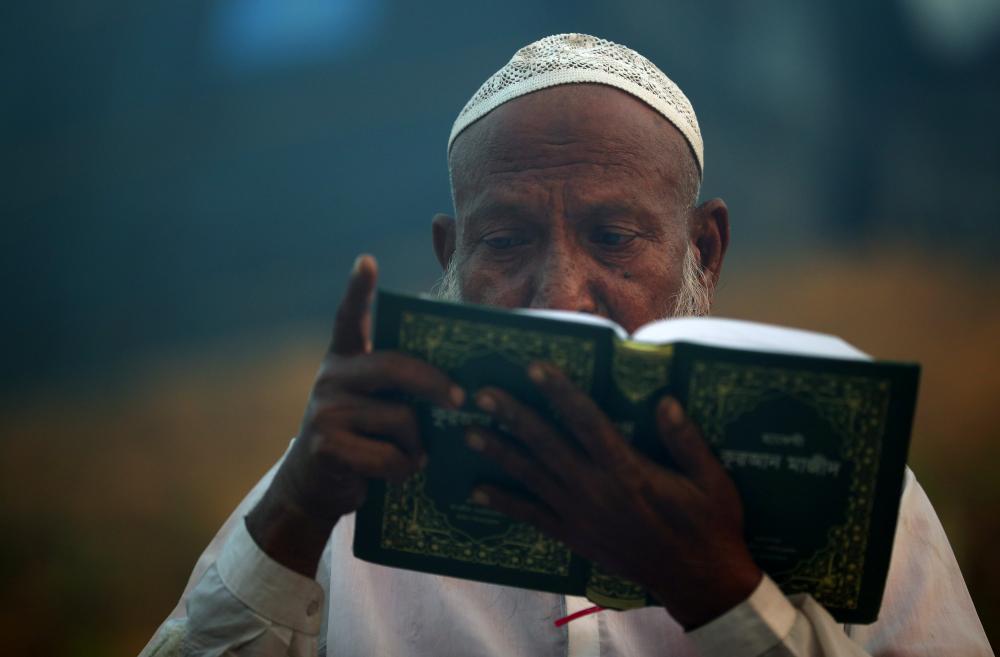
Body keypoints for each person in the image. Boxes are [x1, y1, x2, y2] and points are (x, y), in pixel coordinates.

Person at [141, 34, 992, 657]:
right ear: (450, 259)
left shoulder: (840, 479)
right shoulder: (348, 477)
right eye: (506, 243)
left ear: (705, 250)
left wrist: (720, 592)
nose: (560, 296)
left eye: (614, 236)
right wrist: (292, 513)